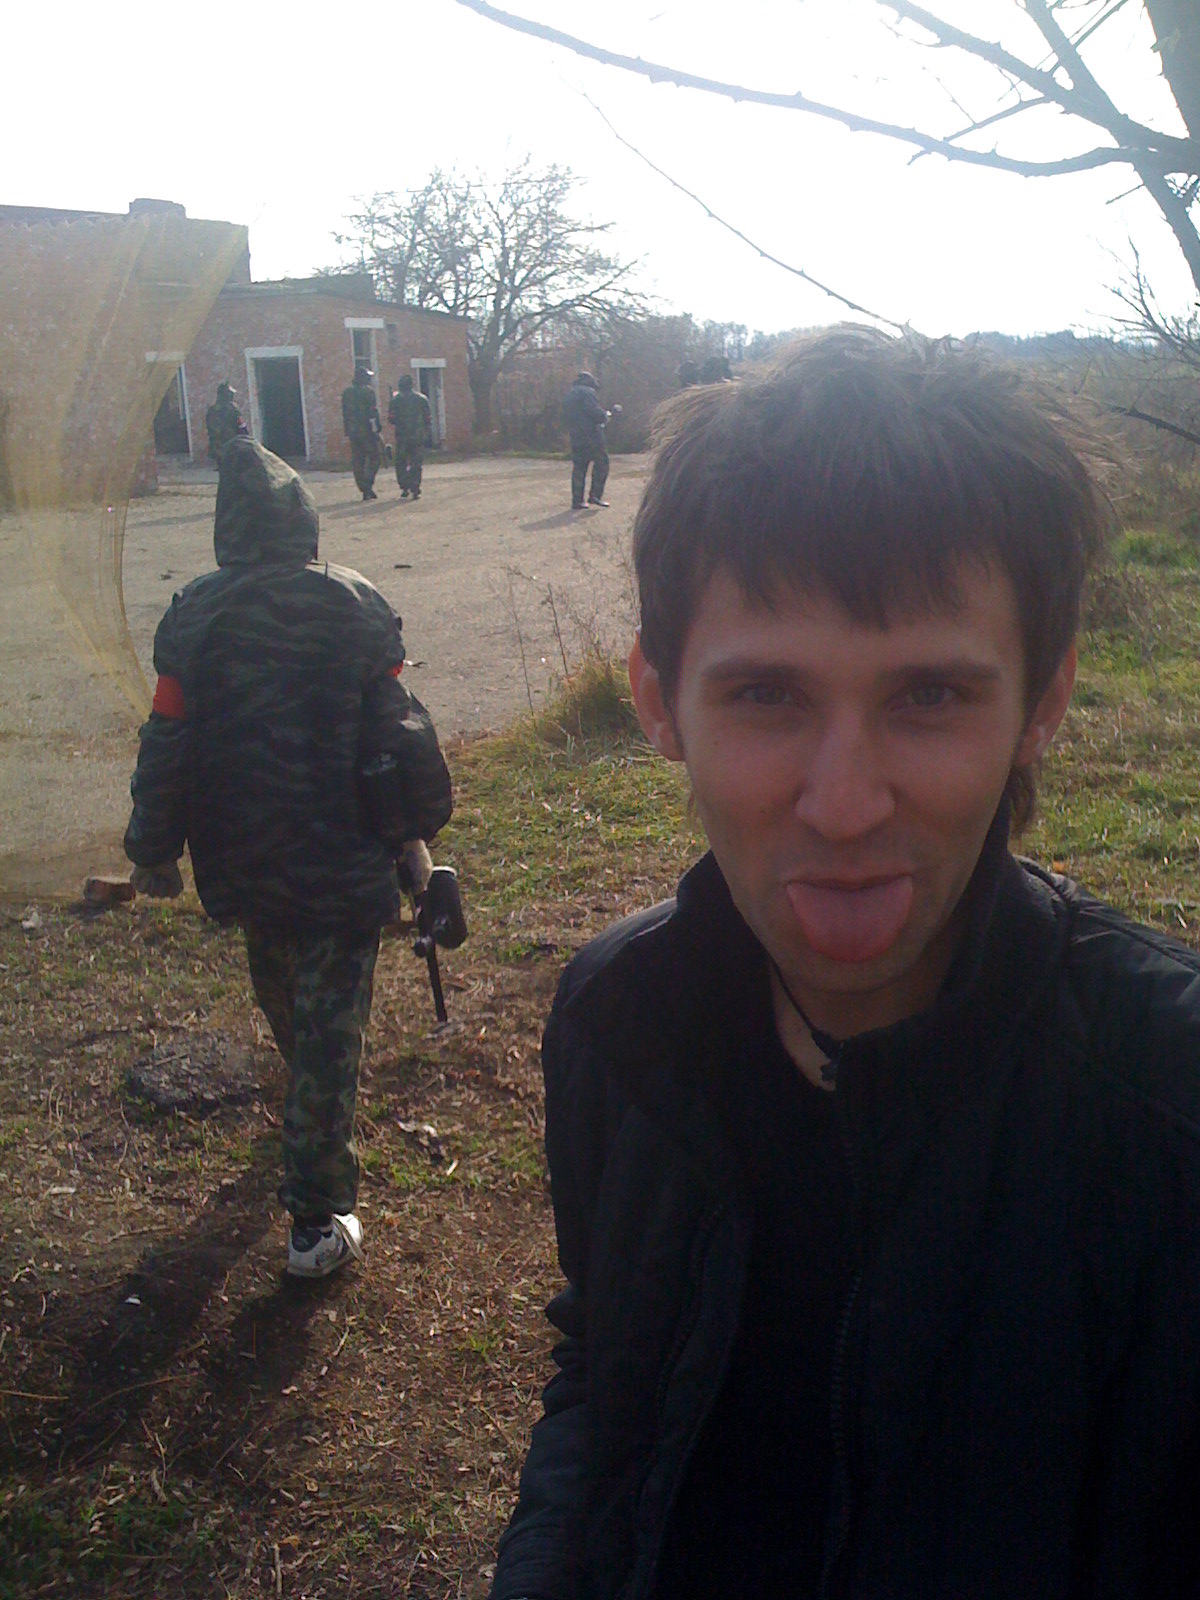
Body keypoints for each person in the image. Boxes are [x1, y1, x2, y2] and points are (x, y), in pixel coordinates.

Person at [491, 328, 1200, 1599]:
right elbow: (604, 1374)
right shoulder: (618, 1020)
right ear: (658, 700)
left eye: (930, 696)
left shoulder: (1170, 1101)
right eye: (768, 695)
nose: (845, 803)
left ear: (1043, 703)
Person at [124, 437, 452, 1279]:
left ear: (226, 528)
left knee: (290, 1010)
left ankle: (309, 1129)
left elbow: (167, 739)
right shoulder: (356, 603)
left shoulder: (191, 616)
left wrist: (154, 850)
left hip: (244, 866)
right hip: (345, 864)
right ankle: (314, 1222)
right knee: (327, 1045)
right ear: (301, 518)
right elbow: (399, 729)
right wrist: (419, 841)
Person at [562, 370, 610, 510]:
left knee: (579, 468)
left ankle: (577, 500)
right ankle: (595, 495)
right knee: (602, 463)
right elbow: (594, 412)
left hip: (576, 436)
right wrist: (604, 416)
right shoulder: (587, 392)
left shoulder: (569, 395)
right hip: (592, 436)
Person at [388, 374, 432, 501]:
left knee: (401, 463)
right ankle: (415, 487)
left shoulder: (395, 401)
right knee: (416, 463)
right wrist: (425, 432)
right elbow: (428, 419)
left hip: (402, 436)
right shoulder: (422, 399)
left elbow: (391, 419)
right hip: (417, 436)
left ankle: (404, 486)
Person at [342, 363, 382, 500]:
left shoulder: (347, 393)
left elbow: (345, 413)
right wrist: (377, 428)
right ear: (363, 378)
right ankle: (367, 486)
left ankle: (363, 487)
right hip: (367, 431)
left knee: (358, 460)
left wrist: (348, 429)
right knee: (375, 458)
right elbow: (372, 412)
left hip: (353, 432)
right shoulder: (368, 392)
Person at [205, 381, 242, 463]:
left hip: (222, 447)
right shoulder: (232, 409)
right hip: (227, 446)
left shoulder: (212, 410)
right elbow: (241, 426)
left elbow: (240, 425)